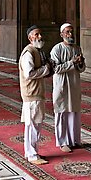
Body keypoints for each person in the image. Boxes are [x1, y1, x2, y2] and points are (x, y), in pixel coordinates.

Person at [18, 25, 52, 165]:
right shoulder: (28, 53)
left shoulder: (36, 51)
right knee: (33, 125)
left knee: (35, 124)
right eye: (36, 34)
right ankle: (32, 155)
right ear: (30, 37)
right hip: (32, 93)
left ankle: (31, 152)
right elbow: (29, 74)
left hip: (36, 93)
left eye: (40, 34)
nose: (39, 37)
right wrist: (46, 69)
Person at [50, 22, 86, 153]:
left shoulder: (77, 48)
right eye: (67, 32)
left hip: (74, 84)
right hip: (62, 85)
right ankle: (62, 141)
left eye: (71, 32)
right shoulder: (56, 49)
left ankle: (74, 140)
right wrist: (72, 63)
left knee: (74, 113)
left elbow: (81, 69)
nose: (70, 35)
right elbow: (56, 68)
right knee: (62, 112)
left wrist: (80, 63)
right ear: (61, 34)